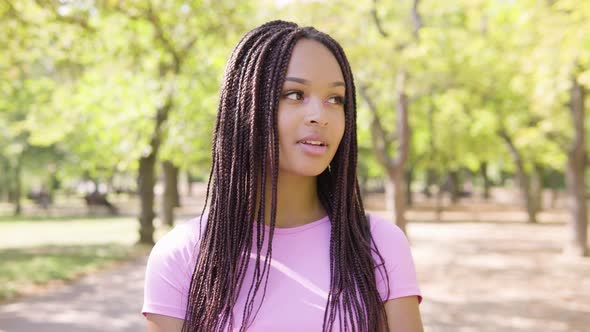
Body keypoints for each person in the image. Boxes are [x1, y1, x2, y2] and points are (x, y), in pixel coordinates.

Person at [142, 20, 424, 332]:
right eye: (294, 94)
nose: (320, 115)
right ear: (246, 106)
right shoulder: (183, 254)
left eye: (335, 99)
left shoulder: (379, 244)